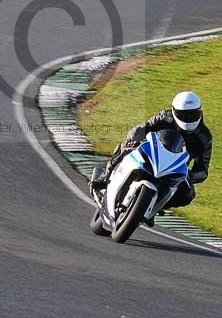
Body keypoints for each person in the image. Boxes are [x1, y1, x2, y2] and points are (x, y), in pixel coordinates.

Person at [91, 91, 213, 224]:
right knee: (125, 149)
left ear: (200, 112)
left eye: (192, 115)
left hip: (173, 169)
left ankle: (153, 206)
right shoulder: (164, 117)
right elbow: (142, 128)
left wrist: (191, 176)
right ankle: (104, 178)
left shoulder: (204, 137)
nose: (188, 119)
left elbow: (203, 169)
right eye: (183, 115)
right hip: (152, 154)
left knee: (187, 194)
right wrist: (132, 140)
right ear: (174, 111)